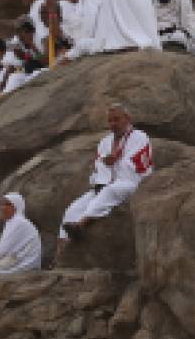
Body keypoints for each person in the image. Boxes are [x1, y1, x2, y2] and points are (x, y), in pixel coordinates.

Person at [56, 104, 153, 262]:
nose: (113, 124)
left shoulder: (140, 137)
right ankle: (60, 254)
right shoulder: (105, 142)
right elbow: (99, 164)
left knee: (110, 192)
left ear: (127, 119)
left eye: (116, 120)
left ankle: (80, 225)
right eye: (110, 121)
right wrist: (107, 165)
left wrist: (115, 161)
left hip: (131, 183)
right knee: (72, 209)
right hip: (104, 184)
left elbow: (138, 164)